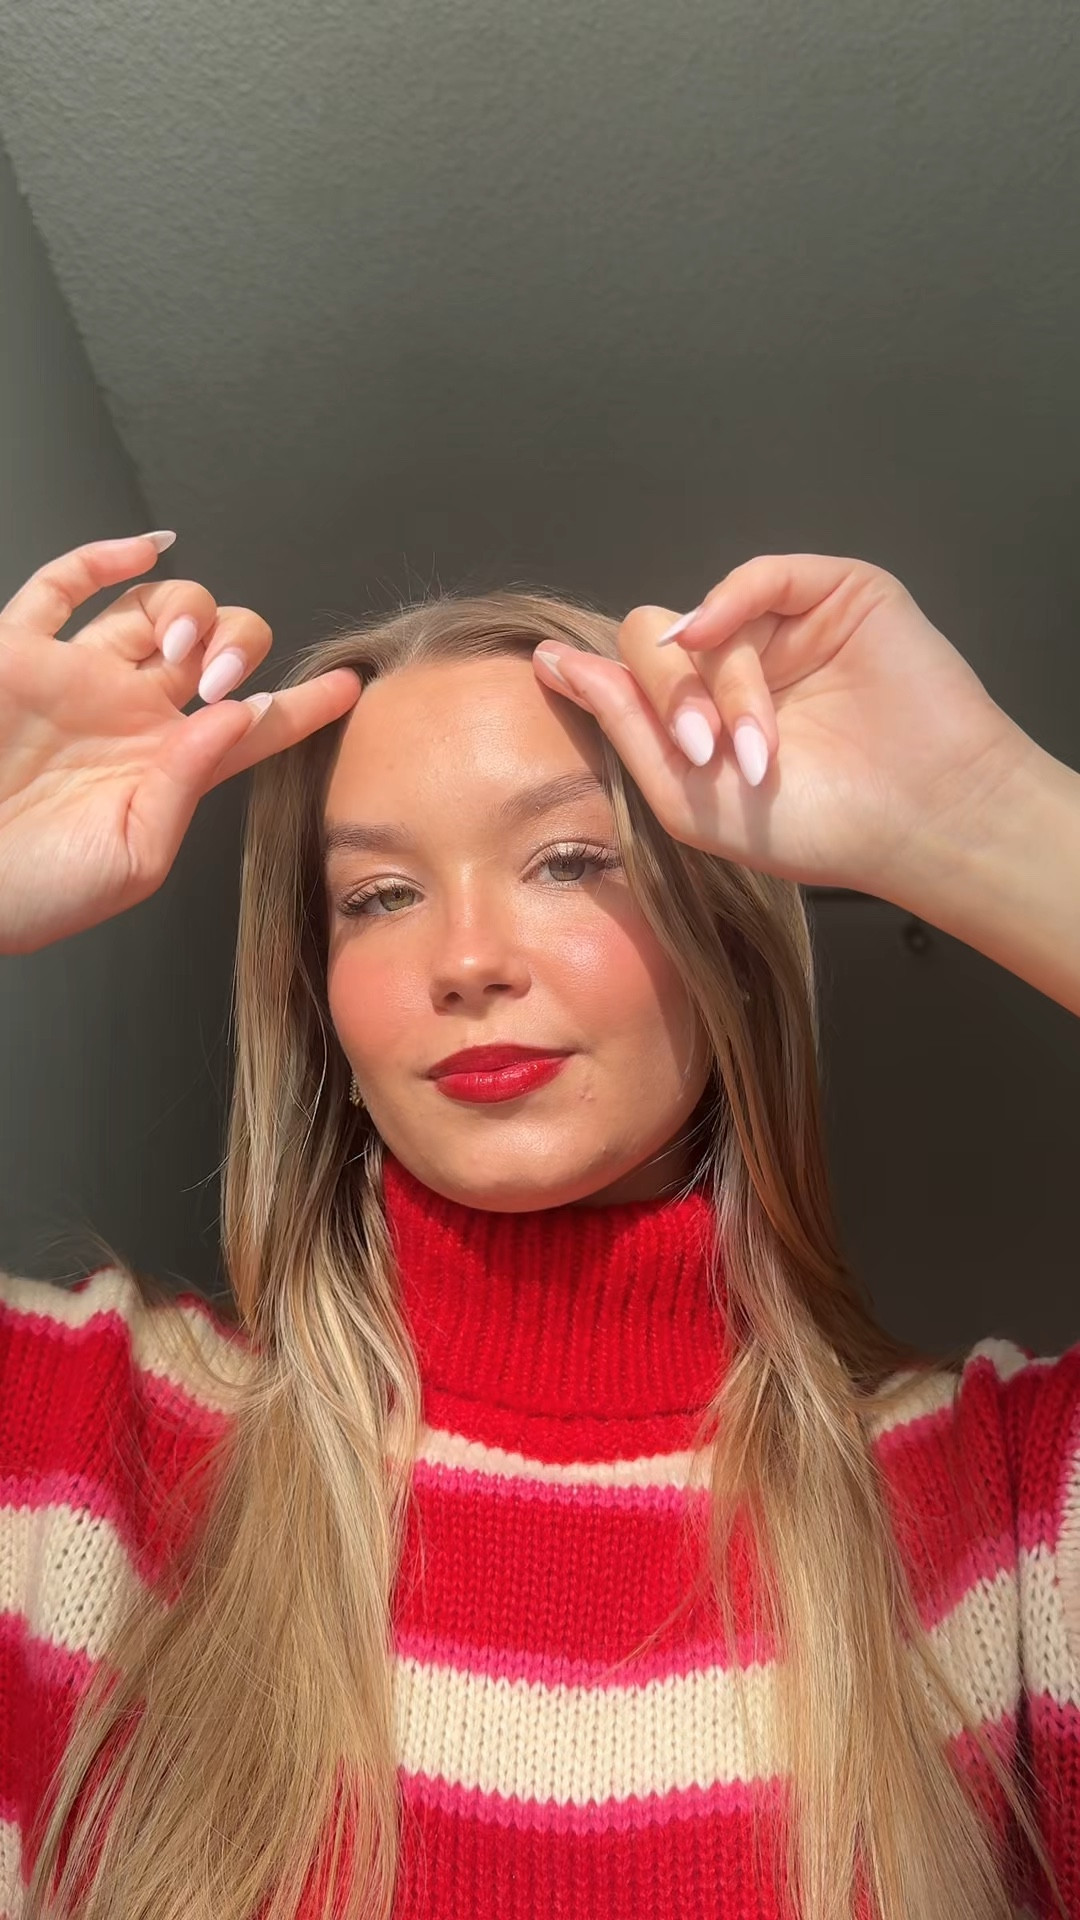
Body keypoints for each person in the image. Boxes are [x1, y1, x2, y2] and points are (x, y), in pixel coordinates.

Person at [1, 532, 1077, 1920]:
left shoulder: (992, 1516)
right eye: (378, 897)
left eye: (569, 859)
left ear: (726, 949)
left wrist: (984, 819)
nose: (464, 961)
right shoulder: (89, 1453)